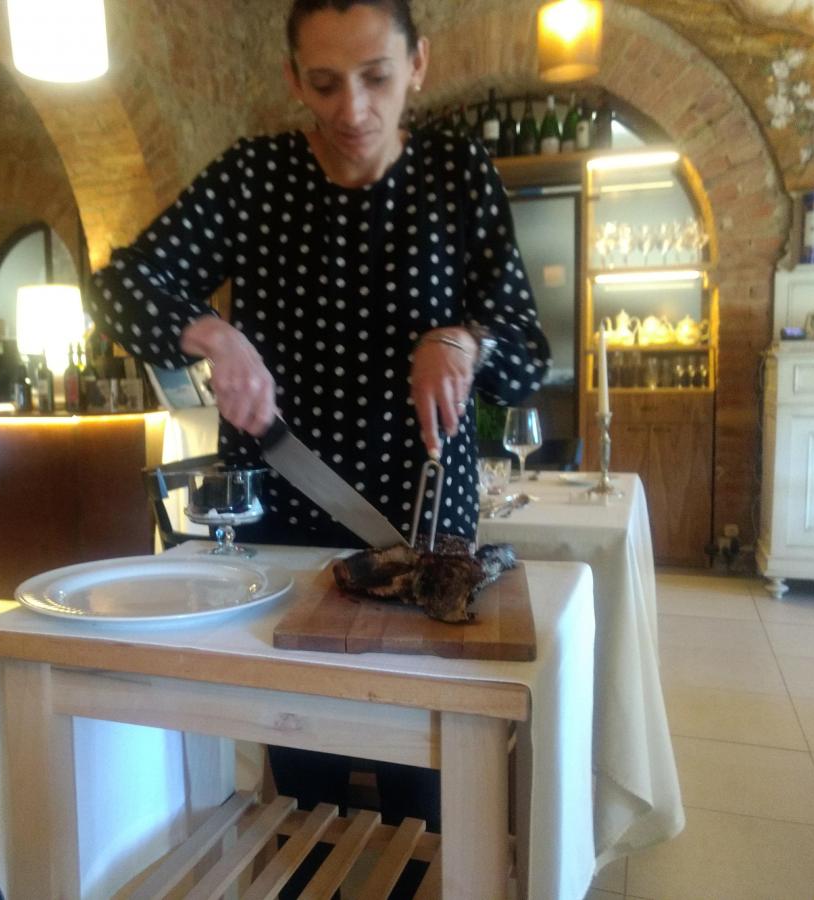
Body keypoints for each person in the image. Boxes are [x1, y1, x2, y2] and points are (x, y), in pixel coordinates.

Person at [93, 0, 550, 883]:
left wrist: (462, 339)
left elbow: (526, 351)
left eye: (377, 77)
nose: (352, 111)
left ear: (419, 65)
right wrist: (212, 335)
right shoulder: (256, 176)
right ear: (291, 79)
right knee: (301, 779)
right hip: (284, 525)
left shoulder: (456, 172)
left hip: (420, 535)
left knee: (424, 783)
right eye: (326, 83)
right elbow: (124, 287)